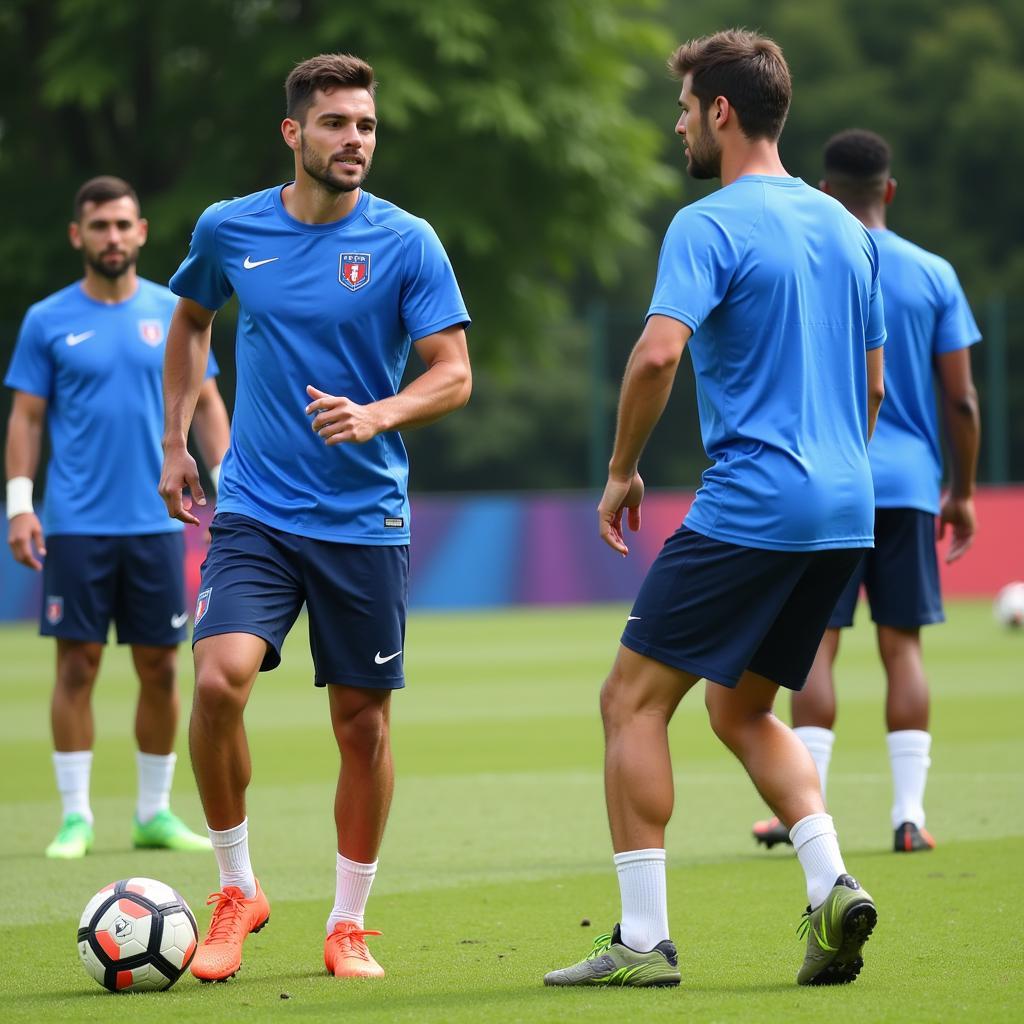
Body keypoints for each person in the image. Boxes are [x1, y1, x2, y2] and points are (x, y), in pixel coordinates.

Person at [544, 30, 886, 990]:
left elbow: (656, 354)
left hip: (756, 501)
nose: (679, 123)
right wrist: (834, 471)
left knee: (630, 701)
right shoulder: (849, 232)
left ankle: (642, 941)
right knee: (743, 709)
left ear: (720, 112)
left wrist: (621, 470)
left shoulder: (710, 221)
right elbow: (872, 383)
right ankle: (831, 886)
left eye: (685, 107)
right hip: (844, 508)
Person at [158, 53, 471, 983]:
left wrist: (378, 413)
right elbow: (189, 322)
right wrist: (177, 439)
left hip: (365, 518)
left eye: (366, 126)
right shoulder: (229, 227)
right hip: (254, 506)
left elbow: (452, 372)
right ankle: (236, 888)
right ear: (294, 134)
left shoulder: (408, 241)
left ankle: (347, 922)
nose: (355, 141)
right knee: (218, 683)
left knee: (361, 728)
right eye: (336, 124)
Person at [752, 129, 981, 855]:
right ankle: (908, 816)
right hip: (911, 485)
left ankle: (801, 812)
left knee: (817, 646)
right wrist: (963, 491)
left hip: (830, 481)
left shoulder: (816, 262)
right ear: (889, 191)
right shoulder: (935, 274)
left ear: (824, 192)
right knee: (901, 648)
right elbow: (963, 402)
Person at [4, 175, 230, 860]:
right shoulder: (47, 319)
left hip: (163, 522)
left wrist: (232, 489)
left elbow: (212, 407)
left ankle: (153, 813)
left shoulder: (176, 312)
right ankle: (75, 817)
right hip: (75, 522)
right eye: (99, 226)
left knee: (162, 668)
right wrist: (19, 505)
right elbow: (27, 418)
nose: (112, 237)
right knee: (77, 666)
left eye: (123, 225)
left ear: (141, 233)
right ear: (79, 235)